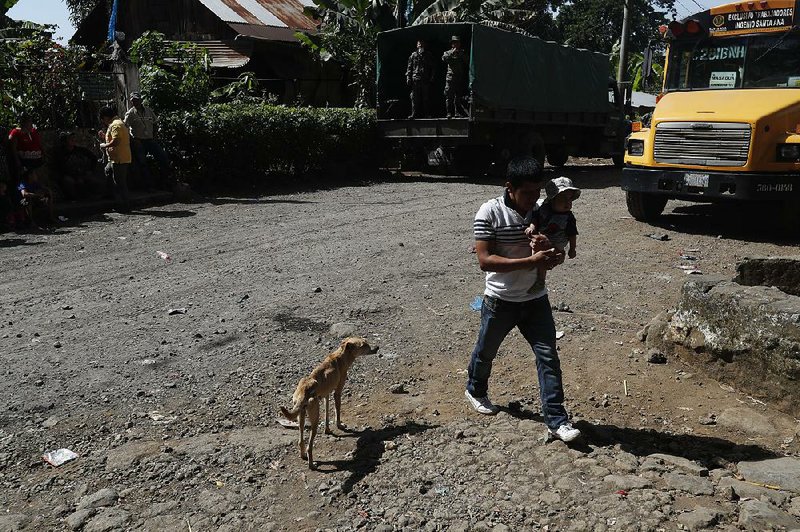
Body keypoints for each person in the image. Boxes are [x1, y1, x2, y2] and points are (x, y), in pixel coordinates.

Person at [465, 157, 581, 443]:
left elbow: (556, 251)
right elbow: (484, 260)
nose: (532, 199)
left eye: (536, 193)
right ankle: (475, 389)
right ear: (509, 188)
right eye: (526, 193)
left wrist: (555, 257)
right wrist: (531, 259)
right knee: (486, 351)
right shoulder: (489, 212)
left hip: (535, 299)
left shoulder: (543, 212)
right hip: (500, 300)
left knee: (548, 357)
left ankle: (556, 419)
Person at [525, 177, 580, 293]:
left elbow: (572, 234)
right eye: (563, 199)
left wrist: (572, 249)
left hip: (557, 243)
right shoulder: (543, 209)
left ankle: (540, 279)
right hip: (541, 238)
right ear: (552, 199)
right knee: (536, 246)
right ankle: (531, 266)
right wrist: (532, 227)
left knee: (545, 259)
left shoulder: (568, 217)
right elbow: (536, 219)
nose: (568, 203)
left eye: (570, 199)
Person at [124, 92, 171, 189]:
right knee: (142, 163)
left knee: (163, 157)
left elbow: (155, 123)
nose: (135, 102)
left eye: (137, 100)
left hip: (150, 140)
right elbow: (124, 128)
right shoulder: (130, 114)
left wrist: (155, 136)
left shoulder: (149, 111)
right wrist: (133, 139)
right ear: (131, 102)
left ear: (141, 100)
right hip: (139, 141)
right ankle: (149, 186)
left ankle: (165, 182)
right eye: (133, 100)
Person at [98, 106, 132, 213]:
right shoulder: (115, 124)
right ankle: (113, 199)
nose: (103, 122)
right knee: (108, 172)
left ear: (106, 117)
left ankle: (125, 206)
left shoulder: (116, 125)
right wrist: (105, 137)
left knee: (120, 183)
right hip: (114, 158)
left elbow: (116, 141)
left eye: (102, 119)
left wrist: (104, 145)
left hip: (119, 159)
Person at [51, 131, 101, 201]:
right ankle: (74, 199)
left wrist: (90, 170)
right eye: (70, 139)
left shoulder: (79, 150)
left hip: (81, 173)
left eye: (73, 138)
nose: (73, 140)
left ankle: (90, 197)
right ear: (65, 141)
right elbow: (58, 167)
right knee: (69, 182)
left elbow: (93, 158)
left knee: (92, 181)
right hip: (67, 175)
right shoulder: (60, 153)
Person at [8, 115, 44, 182]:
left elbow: (39, 144)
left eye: (31, 122)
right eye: (29, 122)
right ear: (23, 123)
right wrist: (17, 161)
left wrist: (43, 154)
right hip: (26, 161)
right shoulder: (16, 132)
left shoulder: (34, 131)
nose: (31, 124)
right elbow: (13, 148)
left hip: (38, 160)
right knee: (30, 175)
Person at [406, 40, 435, 119]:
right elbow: (409, 67)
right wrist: (408, 77)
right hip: (415, 79)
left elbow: (432, 67)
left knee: (426, 98)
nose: (420, 45)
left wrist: (432, 77)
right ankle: (414, 114)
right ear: (417, 45)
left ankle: (427, 114)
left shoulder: (428, 55)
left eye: (422, 44)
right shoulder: (413, 55)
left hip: (425, 79)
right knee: (414, 98)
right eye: (419, 44)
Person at [442, 35, 469, 118]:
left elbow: (467, 60)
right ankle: (449, 112)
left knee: (458, 97)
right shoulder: (447, 52)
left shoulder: (462, 52)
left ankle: (457, 113)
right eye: (455, 43)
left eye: (457, 43)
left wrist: (460, 54)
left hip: (459, 77)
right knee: (449, 96)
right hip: (450, 77)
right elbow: (444, 58)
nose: (456, 44)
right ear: (452, 44)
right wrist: (452, 53)